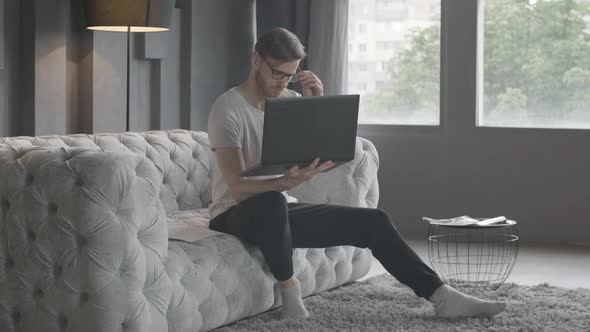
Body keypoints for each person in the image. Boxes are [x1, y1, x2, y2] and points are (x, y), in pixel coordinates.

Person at [207, 27, 507, 320]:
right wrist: (285, 182)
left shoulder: (288, 102)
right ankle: (289, 290)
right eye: (277, 73)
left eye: (290, 74)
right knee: (271, 201)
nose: (282, 82)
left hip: (279, 211)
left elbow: (315, 153)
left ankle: (441, 295)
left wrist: (315, 103)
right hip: (233, 214)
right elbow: (237, 187)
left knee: (373, 220)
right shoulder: (228, 109)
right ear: (256, 60)